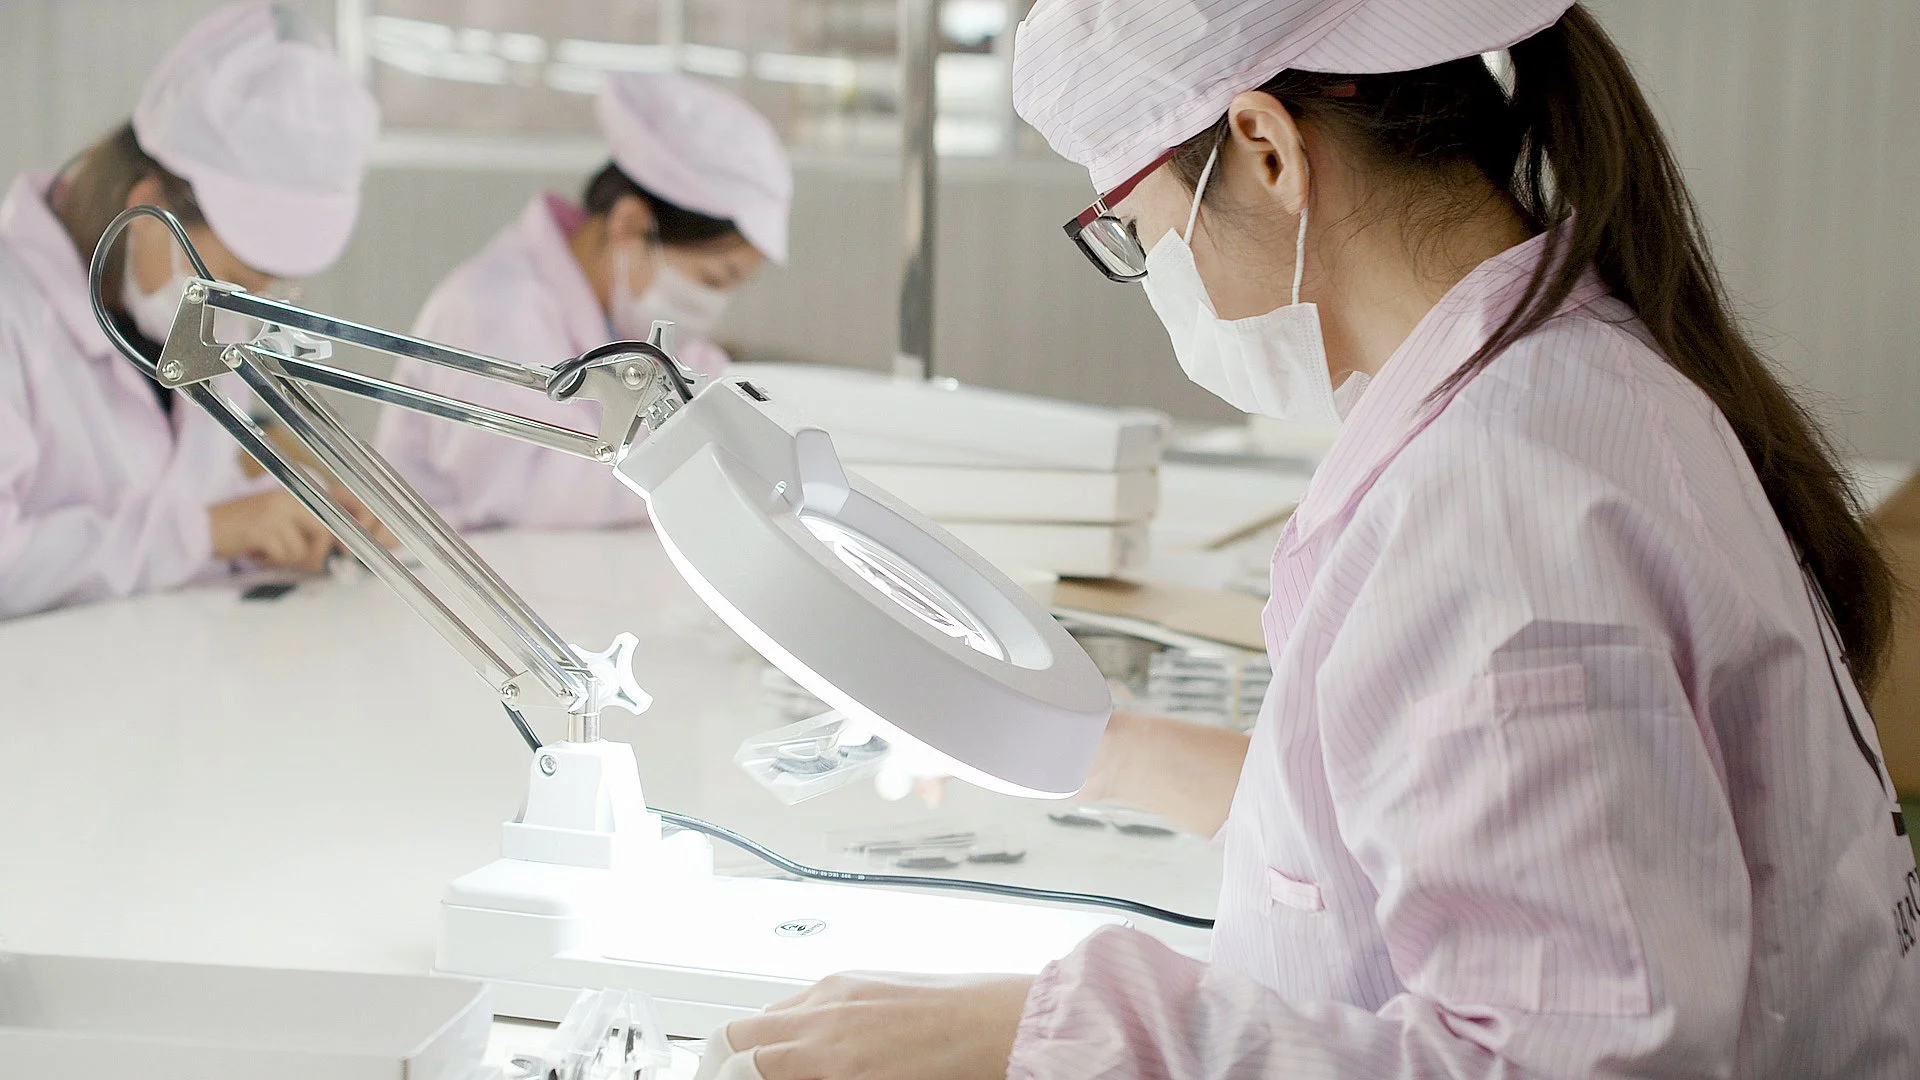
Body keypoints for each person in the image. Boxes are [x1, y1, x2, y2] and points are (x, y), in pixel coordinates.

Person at [715, 1, 1920, 1077]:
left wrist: (1036, 1034)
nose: (1155, 277)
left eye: (1134, 227)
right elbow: (1395, 831)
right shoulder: (1559, 390)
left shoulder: (1502, 504)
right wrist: (1096, 749)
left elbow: (1572, 1057)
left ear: (1267, 148)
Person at [0, 2, 382, 619]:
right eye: (231, 283)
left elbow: (183, 499)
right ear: (149, 208)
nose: (243, 317)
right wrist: (205, 532)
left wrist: (285, 519)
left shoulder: (179, 318)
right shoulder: (12, 312)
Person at [375, 72, 790, 531]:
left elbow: (700, 403)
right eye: (712, 278)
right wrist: (702, 459)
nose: (714, 305)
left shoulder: (619, 318)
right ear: (630, 224)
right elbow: (523, 491)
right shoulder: (494, 306)